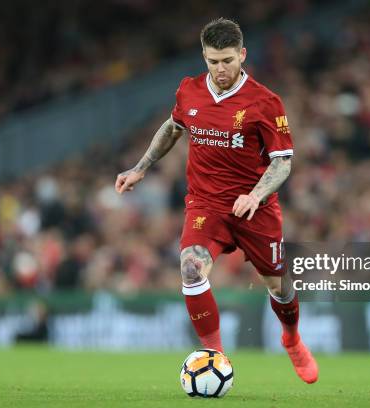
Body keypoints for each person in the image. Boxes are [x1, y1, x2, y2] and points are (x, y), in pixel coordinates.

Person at [115, 18, 318, 384]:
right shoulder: (189, 91)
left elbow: (283, 161)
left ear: (242, 55)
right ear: (204, 57)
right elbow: (174, 127)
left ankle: (292, 338)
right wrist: (141, 167)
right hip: (206, 205)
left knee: (280, 287)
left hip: (256, 209)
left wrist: (255, 194)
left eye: (227, 60)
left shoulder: (265, 101)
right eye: (213, 61)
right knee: (191, 268)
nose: (220, 69)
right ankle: (215, 356)